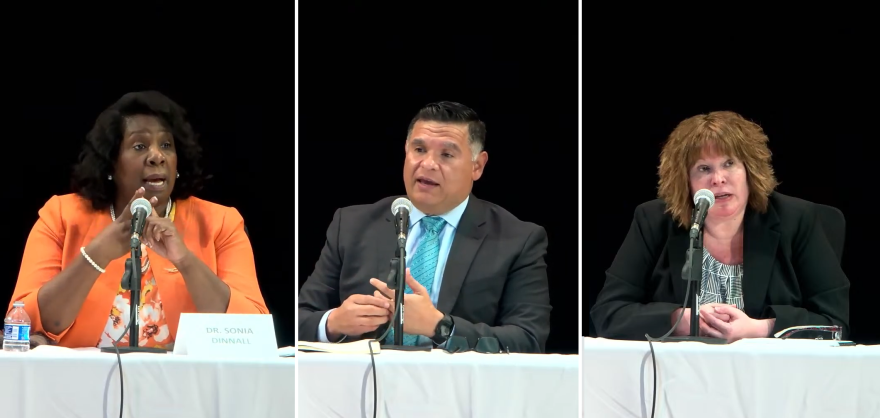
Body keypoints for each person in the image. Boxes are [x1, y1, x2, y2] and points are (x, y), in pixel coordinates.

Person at [7, 91, 268, 349]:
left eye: (166, 145)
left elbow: (253, 330)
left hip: (188, 385)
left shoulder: (221, 222)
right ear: (110, 164)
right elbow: (23, 323)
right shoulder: (61, 216)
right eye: (140, 146)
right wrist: (97, 254)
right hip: (82, 382)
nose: (157, 156)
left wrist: (185, 261)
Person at [298, 101, 551, 353]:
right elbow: (299, 317)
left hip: (459, 389)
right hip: (361, 385)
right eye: (419, 149)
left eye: (447, 155)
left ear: (477, 166)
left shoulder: (518, 240)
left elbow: (528, 338)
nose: (428, 164)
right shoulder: (352, 225)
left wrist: (441, 327)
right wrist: (333, 323)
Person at [591, 111, 850, 343]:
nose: (718, 179)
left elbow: (834, 323)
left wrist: (760, 329)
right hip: (680, 376)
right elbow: (608, 313)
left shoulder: (797, 220)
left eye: (729, 163)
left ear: (750, 169)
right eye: (704, 168)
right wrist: (676, 320)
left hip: (772, 379)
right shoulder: (654, 221)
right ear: (685, 181)